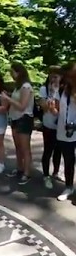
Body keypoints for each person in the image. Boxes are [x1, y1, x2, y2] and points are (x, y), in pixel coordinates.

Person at [2, 62, 35, 185]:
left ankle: (27, 173)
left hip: (24, 118)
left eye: (13, 72)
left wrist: (8, 99)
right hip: (15, 118)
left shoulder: (26, 86)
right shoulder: (18, 87)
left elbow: (22, 106)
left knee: (25, 148)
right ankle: (19, 168)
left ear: (19, 72)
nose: (11, 75)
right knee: (18, 147)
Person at [38, 67, 63, 188]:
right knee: (48, 151)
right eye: (52, 76)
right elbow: (44, 106)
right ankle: (46, 175)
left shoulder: (63, 90)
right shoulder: (44, 89)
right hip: (48, 125)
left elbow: (59, 109)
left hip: (60, 126)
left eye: (57, 76)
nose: (54, 79)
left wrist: (53, 105)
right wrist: (52, 94)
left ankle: (56, 172)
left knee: (58, 151)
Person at [55, 63, 76, 201]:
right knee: (68, 160)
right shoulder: (62, 90)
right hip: (65, 131)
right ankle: (69, 187)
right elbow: (58, 110)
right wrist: (53, 110)